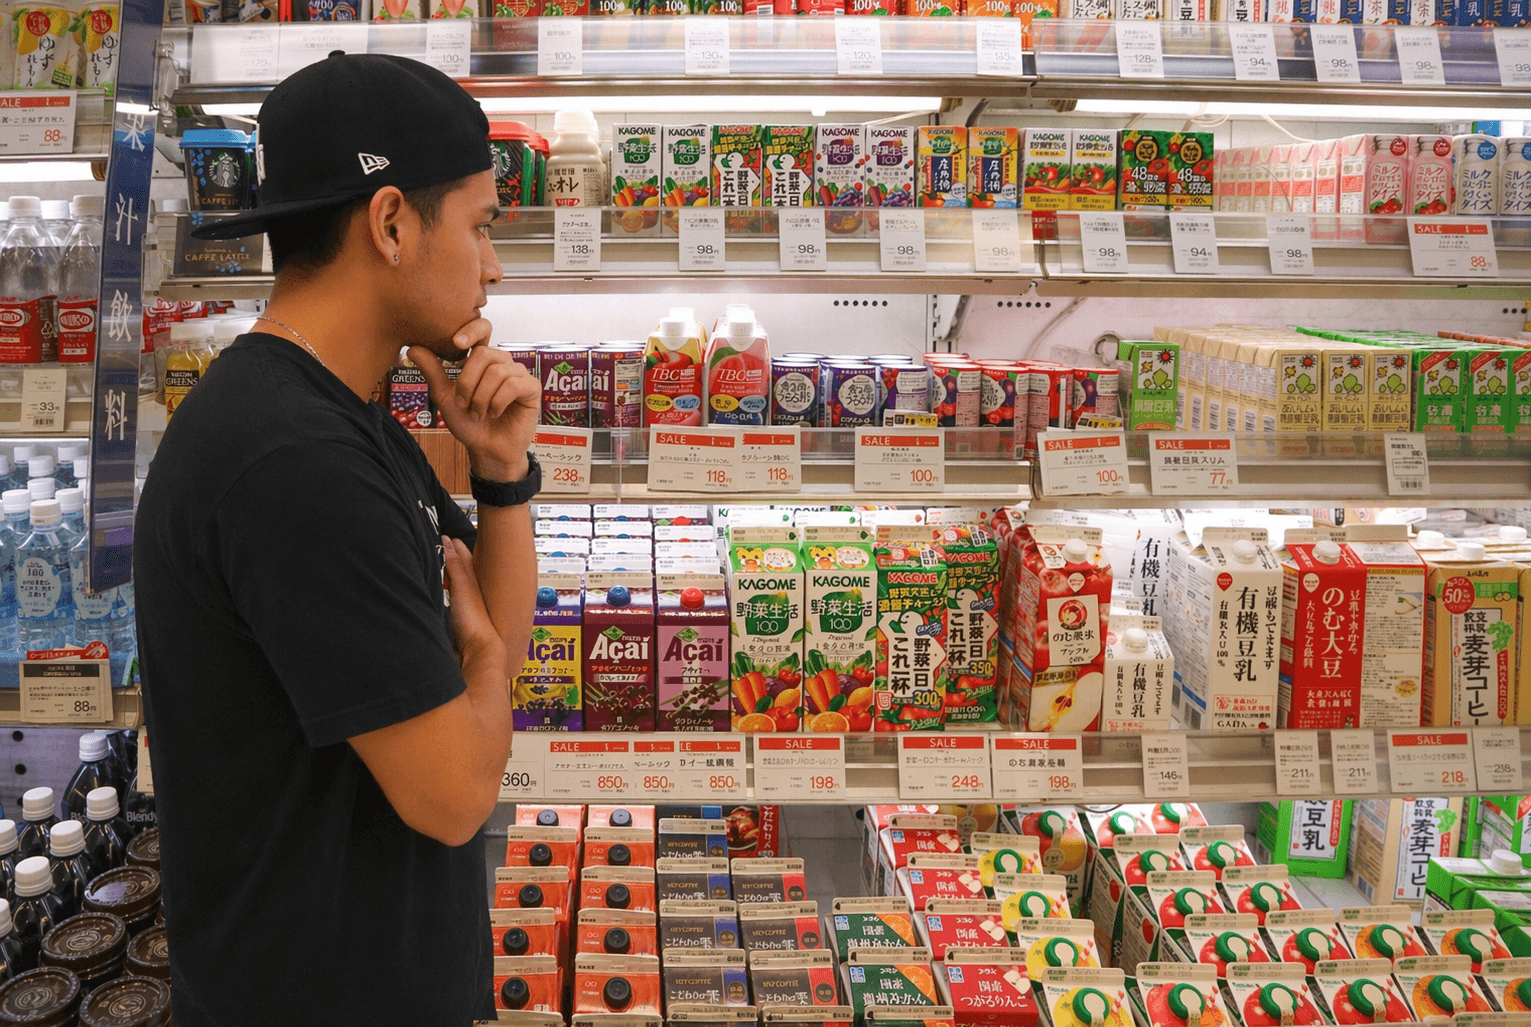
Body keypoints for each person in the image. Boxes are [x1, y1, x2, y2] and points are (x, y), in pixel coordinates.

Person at [134, 53, 540, 1025]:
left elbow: (488, 678)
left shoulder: (341, 417)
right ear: (392, 222)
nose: (493, 265)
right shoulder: (292, 460)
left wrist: (502, 475)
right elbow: (454, 790)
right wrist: (478, 657)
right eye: (481, 226)